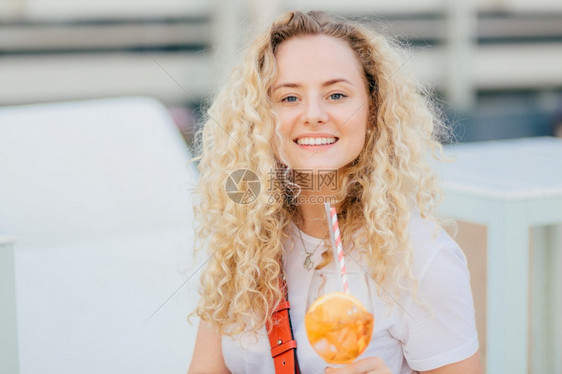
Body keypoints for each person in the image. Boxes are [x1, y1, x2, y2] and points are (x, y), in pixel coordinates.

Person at [188, 10, 482, 374]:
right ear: (260, 117)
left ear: (373, 110)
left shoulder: (419, 259)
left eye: (337, 94)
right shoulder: (242, 240)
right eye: (289, 98)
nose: (313, 114)